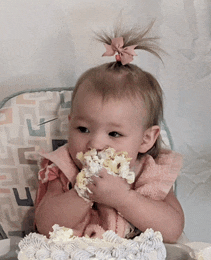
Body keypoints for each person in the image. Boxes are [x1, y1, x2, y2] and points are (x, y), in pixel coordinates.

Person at [34, 24, 184, 243]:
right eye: (83, 129)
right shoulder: (63, 169)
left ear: (146, 139)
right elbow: (45, 225)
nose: (95, 143)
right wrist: (84, 192)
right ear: (70, 124)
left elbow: (172, 231)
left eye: (114, 134)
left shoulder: (149, 172)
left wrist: (124, 198)